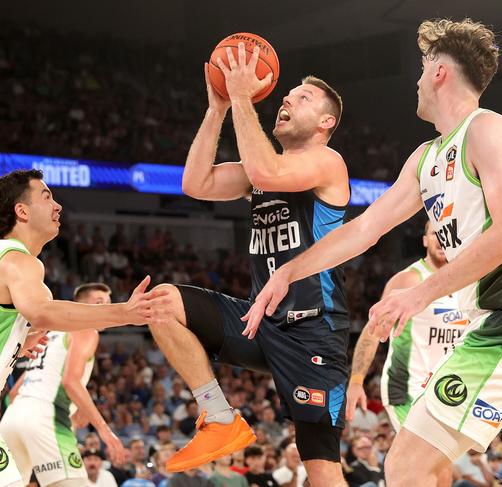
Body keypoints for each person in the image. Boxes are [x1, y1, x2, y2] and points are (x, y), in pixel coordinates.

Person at [243, 18, 502, 487]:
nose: (416, 80)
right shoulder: (426, 158)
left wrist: (417, 295)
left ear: (440, 71)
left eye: (422, 67)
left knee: (404, 468)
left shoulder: (487, 129)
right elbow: (363, 230)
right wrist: (289, 272)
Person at [148, 41, 351, 485]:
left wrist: (242, 96)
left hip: (314, 329)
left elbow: (266, 175)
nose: (285, 100)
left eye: (301, 98)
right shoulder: (263, 169)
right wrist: (218, 107)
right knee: (161, 303)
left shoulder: (327, 162)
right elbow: (195, 183)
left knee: (320, 468)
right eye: (287, 95)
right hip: (261, 321)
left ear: (325, 122)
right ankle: (219, 416)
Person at [0, 169, 164, 486]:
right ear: (21, 211)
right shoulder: (21, 261)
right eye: (47, 197)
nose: (58, 205)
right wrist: (124, 313)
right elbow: (42, 312)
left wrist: (11, 343)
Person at [346, 221, 468, 432]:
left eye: (447, 232)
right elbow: (373, 331)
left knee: (437, 464)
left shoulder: (467, 280)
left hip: (448, 387)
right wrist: (356, 381)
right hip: (407, 387)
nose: (441, 238)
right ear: (424, 240)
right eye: (434, 233)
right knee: (425, 460)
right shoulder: (408, 280)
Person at [0, 281, 124, 486]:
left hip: (12, 419)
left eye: (108, 302)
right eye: (99, 302)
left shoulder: (52, 333)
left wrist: (79, 405)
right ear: (81, 306)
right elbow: (70, 381)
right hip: (45, 417)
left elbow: (13, 393)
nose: (106, 307)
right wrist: (103, 429)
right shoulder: (86, 328)